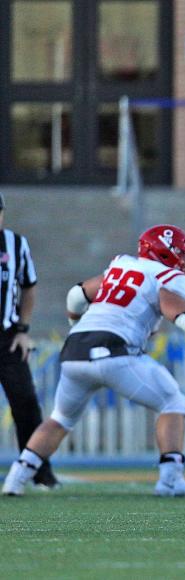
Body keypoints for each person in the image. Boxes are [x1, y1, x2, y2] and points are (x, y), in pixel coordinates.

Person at [2, 225, 185, 497]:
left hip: (75, 350)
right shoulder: (167, 276)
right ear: (163, 253)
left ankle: (15, 481)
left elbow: (76, 295)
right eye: (180, 254)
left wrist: (77, 326)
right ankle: (171, 479)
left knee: (60, 419)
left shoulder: (121, 266)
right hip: (113, 352)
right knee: (172, 401)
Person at [0, 193, 58, 489]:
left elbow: (29, 288)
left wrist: (23, 329)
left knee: (26, 403)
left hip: (7, 338)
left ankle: (38, 471)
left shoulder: (15, 244)